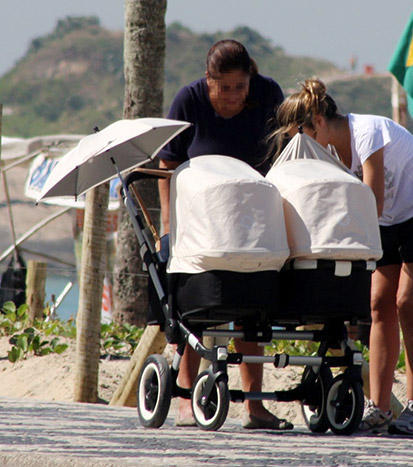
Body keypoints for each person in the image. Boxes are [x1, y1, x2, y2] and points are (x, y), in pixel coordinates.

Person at [270, 78, 413, 436]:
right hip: (389, 222)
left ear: (318, 120)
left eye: (300, 134)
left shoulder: (367, 132)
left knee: (408, 303)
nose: (298, 144)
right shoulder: (325, 151)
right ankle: (379, 408)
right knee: (377, 304)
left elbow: (372, 203)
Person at [156, 39, 292, 430]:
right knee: (200, 306)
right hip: (203, 220)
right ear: (208, 80)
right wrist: (169, 224)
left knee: (253, 306)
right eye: (225, 87)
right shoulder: (189, 101)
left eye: (241, 86)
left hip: (254, 217)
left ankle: (254, 405)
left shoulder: (268, 94)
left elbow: (283, 152)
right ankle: (185, 397)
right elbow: (169, 163)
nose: (234, 96)